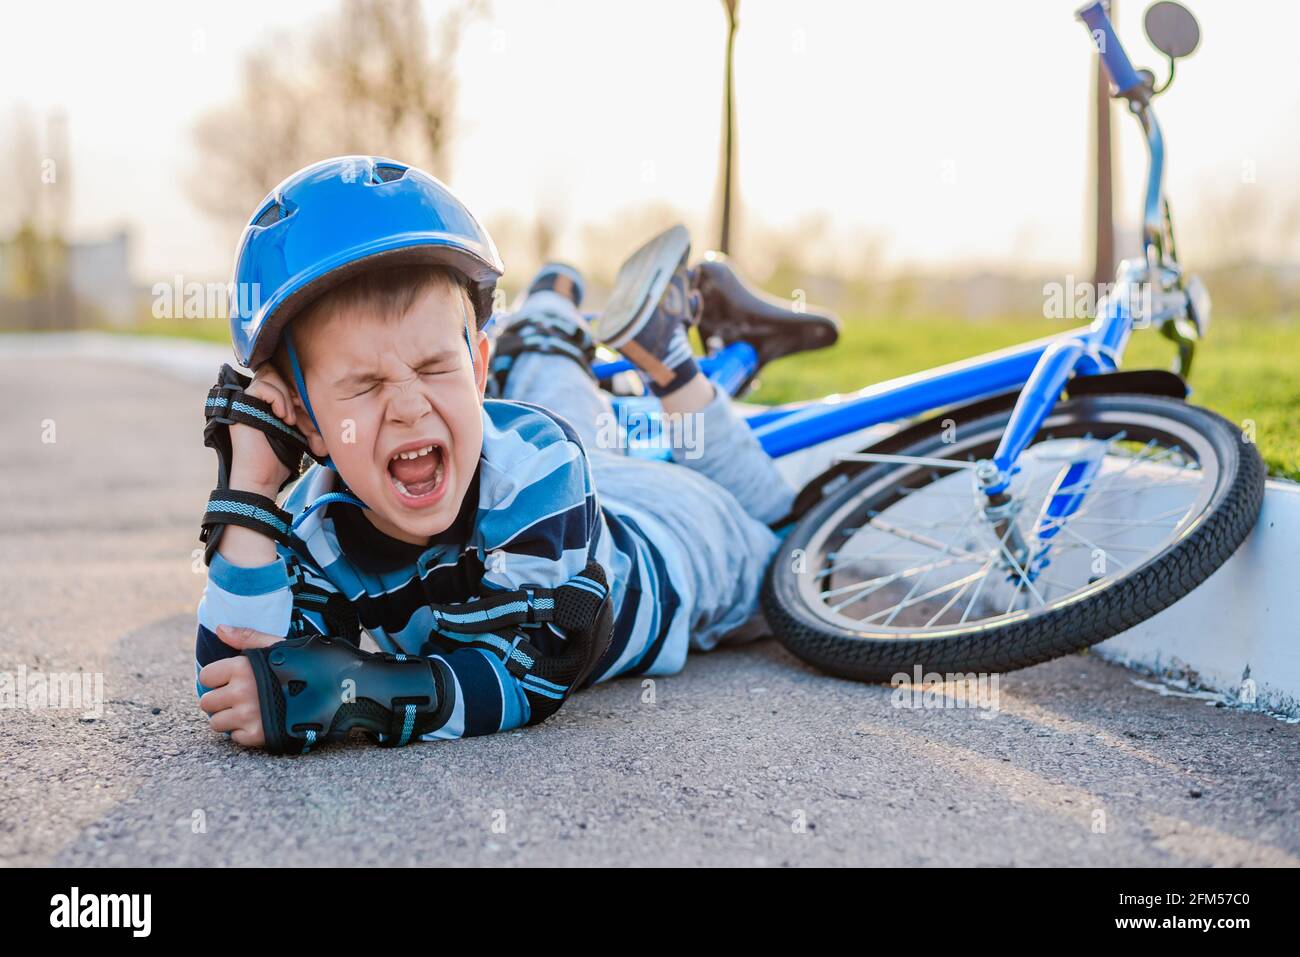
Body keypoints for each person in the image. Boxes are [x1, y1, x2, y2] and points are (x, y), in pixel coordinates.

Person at [194, 156, 833, 753]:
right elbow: (242, 673)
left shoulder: (541, 469)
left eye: (434, 366)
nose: (409, 407)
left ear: (477, 371)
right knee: (562, 422)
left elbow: (531, 672)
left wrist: (361, 691)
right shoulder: (319, 526)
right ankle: (560, 308)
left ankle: (665, 362)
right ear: (305, 420)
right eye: (363, 385)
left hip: (682, 544)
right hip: (577, 487)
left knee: (797, 544)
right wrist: (249, 492)